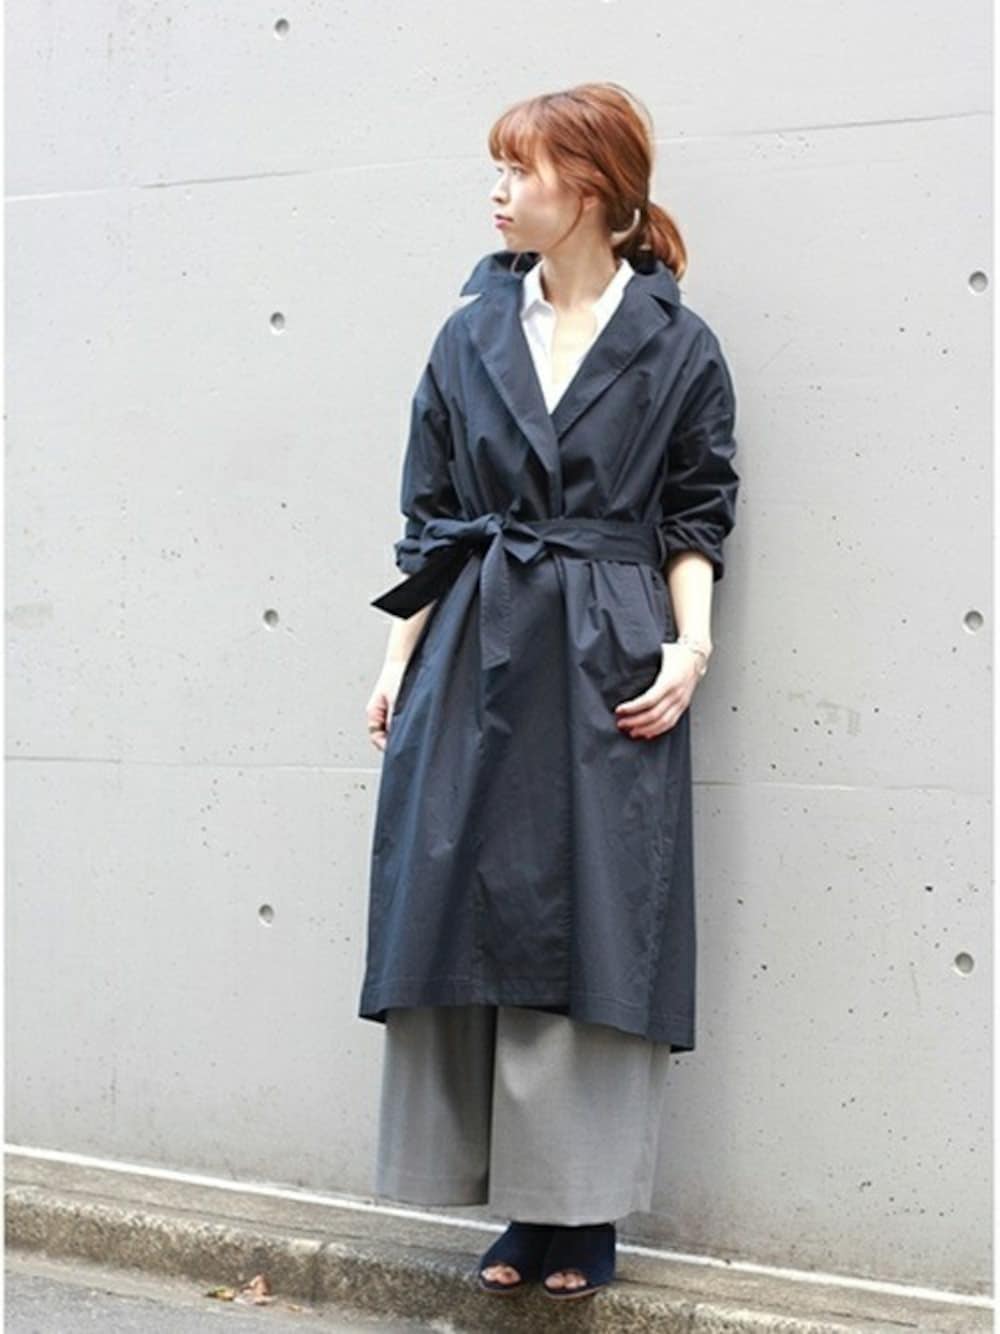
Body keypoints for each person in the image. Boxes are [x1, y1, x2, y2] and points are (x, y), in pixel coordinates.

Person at [359, 81, 740, 1300]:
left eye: (517, 170)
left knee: (597, 911)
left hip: (608, 647)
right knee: (466, 902)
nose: (497, 191)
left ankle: (582, 1211)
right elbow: (430, 520)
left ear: (588, 188)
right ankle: (518, 1207)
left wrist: (689, 649)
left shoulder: (678, 345)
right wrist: (395, 663)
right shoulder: (466, 334)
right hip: (476, 637)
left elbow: (695, 513)